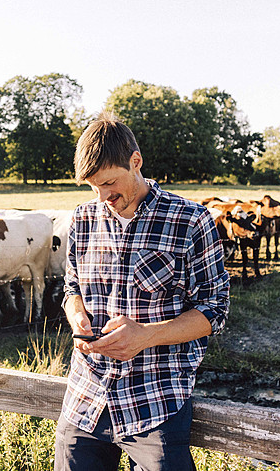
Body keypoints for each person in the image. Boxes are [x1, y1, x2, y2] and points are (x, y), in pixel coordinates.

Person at [55, 112, 230, 471]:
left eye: (110, 182)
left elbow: (216, 310)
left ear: (136, 162)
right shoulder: (83, 219)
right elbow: (72, 287)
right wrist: (77, 317)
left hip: (155, 401)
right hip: (85, 398)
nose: (103, 196)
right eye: (93, 186)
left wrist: (146, 336)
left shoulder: (191, 221)